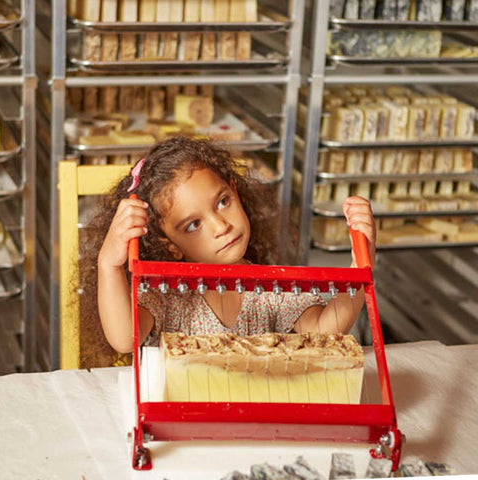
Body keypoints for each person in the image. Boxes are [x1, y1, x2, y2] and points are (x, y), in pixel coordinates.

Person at [80, 137, 375, 367]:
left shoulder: (269, 287)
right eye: (193, 224)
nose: (220, 225)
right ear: (170, 244)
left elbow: (323, 333)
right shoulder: (166, 293)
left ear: (234, 190)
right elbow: (123, 338)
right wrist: (109, 264)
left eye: (222, 202)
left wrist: (359, 265)